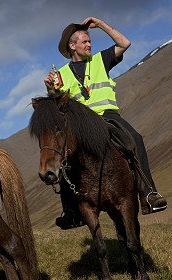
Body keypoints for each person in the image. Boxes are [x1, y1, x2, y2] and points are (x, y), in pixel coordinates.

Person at [44, 17, 167, 230]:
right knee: (64, 155)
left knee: (135, 138)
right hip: (81, 125)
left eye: (90, 41)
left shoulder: (101, 60)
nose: (89, 44)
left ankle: (149, 193)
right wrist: (50, 89)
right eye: (84, 42)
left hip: (108, 116)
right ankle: (72, 212)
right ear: (72, 46)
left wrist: (100, 25)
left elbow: (124, 43)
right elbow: (58, 106)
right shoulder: (60, 74)